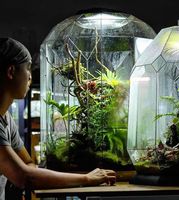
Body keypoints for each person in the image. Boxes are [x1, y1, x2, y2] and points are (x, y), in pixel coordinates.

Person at [0, 37, 116, 199]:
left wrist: (24, 173)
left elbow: (27, 165)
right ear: (11, 71)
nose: (30, 77)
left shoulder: (6, 118)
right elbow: (25, 176)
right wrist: (87, 178)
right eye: (27, 68)